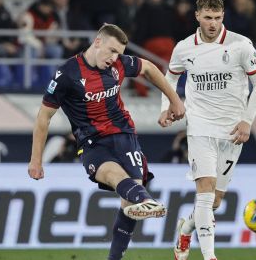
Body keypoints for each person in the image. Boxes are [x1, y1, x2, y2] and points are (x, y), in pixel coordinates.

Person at [28, 23, 185, 260]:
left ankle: (116, 254)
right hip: (91, 142)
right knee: (117, 179)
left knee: (128, 202)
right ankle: (145, 199)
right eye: (111, 51)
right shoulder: (67, 74)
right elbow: (43, 118)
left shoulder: (119, 64)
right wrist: (36, 160)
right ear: (97, 42)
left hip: (124, 135)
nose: (114, 58)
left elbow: (150, 68)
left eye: (119, 54)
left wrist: (175, 100)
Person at [158, 0, 256, 260]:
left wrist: (247, 120)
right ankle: (210, 256)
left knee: (214, 201)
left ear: (223, 17)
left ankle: (186, 226)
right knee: (205, 190)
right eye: (208, 18)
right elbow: (169, 79)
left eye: (217, 18)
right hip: (200, 127)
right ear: (197, 16)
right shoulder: (184, 48)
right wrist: (166, 107)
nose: (213, 24)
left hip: (232, 131)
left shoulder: (241, 45)